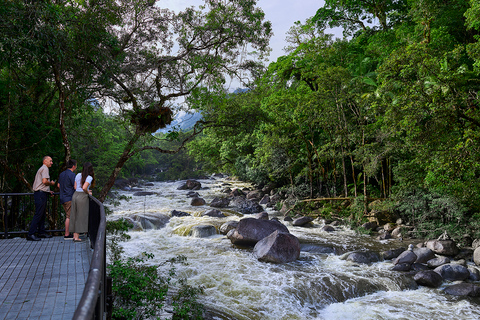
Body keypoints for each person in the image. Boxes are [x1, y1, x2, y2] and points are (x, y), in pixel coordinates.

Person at [28, 156, 55, 241]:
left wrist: (48, 191)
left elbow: (41, 183)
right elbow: (44, 181)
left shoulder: (42, 168)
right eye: (50, 161)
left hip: (41, 193)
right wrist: (51, 183)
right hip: (40, 194)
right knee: (39, 213)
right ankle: (31, 234)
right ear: (45, 161)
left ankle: (41, 232)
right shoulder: (45, 168)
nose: (52, 163)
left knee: (42, 214)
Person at [70, 162, 95, 242]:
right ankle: (77, 237)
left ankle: (74, 235)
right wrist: (88, 192)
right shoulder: (89, 177)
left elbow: (75, 187)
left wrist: (85, 190)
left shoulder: (78, 175)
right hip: (82, 196)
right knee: (81, 216)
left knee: (74, 214)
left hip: (75, 195)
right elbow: (84, 187)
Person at [57, 159, 77, 240]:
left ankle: (68, 233)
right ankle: (67, 234)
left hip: (62, 197)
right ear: (73, 166)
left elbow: (58, 185)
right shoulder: (72, 175)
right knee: (69, 216)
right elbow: (75, 186)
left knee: (68, 215)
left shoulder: (62, 174)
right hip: (69, 197)